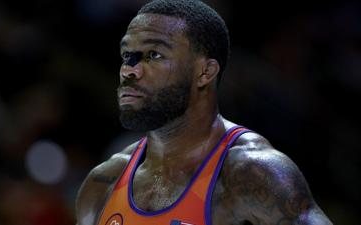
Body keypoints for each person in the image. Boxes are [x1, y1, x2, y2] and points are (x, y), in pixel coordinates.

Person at [76, 0, 333, 224]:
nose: (129, 69)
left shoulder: (250, 174)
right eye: (126, 54)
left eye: (154, 54)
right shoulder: (104, 182)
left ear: (205, 72)